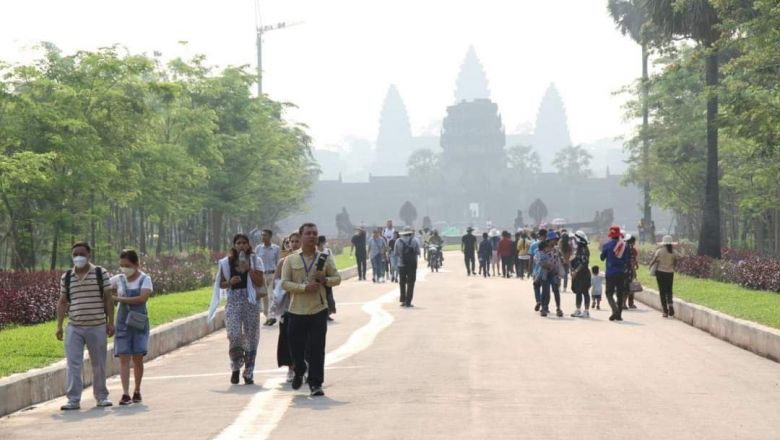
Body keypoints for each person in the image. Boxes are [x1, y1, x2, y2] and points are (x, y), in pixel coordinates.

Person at [281, 223, 341, 397]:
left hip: (318, 310)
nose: (312, 236)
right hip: (296, 310)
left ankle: (316, 383)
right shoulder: (291, 260)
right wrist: (303, 288)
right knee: (296, 349)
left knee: (317, 348)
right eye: (308, 233)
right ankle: (300, 368)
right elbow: (284, 283)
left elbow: (337, 278)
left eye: (315, 233)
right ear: (300, 237)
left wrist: (325, 279)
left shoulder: (325, 258)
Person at [56, 242, 114, 410]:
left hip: (96, 325)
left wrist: (110, 322)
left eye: (81, 254)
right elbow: (62, 302)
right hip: (74, 326)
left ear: (89, 255)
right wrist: (59, 326)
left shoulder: (99, 272)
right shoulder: (66, 277)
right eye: (75, 254)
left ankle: (101, 397)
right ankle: (73, 399)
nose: (78, 257)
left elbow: (109, 298)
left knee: (98, 363)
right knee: (73, 363)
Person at [208, 234, 264, 384]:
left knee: (251, 336)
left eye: (244, 243)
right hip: (234, 301)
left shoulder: (255, 260)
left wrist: (249, 270)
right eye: (238, 243)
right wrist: (230, 282)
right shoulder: (226, 263)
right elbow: (221, 284)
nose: (241, 246)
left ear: (248, 245)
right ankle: (235, 366)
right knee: (233, 334)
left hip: (250, 301)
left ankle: (249, 371)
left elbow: (259, 282)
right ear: (234, 245)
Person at [109, 249, 152, 405]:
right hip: (122, 323)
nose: (124, 268)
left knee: (138, 358)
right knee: (124, 358)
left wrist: (118, 298)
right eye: (121, 265)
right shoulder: (118, 279)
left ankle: (137, 390)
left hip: (138, 323)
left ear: (136, 264)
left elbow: (142, 299)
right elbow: (104, 287)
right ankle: (126, 393)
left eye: (127, 265)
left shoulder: (145, 279)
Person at [270, 232, 302, 382]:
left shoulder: (308, 261)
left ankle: (303, 366)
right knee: (288, 337)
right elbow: (276, 283)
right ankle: (291, 368)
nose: (294, 244)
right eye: (292, 242)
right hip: (288, 307)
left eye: (297, 241)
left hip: (305, 305)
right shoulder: (283, 262)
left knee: (305, 338)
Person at [600, 225, 630, 322]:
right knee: (620, 294)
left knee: (609, 293)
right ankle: (619, 315)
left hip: (610, 273)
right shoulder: (624, 246)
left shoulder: (607, 245)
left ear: (611, 235)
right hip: (621, 273)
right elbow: (627, 260)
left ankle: (615, 310)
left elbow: (602, 258)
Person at [649, 235, 679, 318]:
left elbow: (654, 260)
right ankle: (670, 304)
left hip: (660, 273)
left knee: (662, 291)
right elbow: (676, 260)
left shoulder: (659, 251)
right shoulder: (673, 251)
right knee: (669, 290)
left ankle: (665, 311)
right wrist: (673, 266)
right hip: (670, 273)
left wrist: (650, 266)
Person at [256, 229, 281, 326]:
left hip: (272, 274)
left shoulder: (276, 248)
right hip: (261, 275)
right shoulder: (258, 248)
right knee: (264, 297)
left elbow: (278, 262)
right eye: (262, 235)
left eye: (265, 235)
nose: (263, 237)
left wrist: (277, 276)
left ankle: (271, 316)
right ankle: (267, 316)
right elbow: (256, 262)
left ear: (270, 237)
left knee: (271, 296)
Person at [537, 231, 564, 317]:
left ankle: (558, 308)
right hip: (545, 273)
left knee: (556, 290)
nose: (555, 241)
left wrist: (559, 271)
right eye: (554, 239)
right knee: (546, 291)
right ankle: (544, 309)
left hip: (554, 273)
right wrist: (547, 265)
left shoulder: (556, 250)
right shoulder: (542, 250)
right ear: (549, 240)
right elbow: (539, 261)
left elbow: (559, 260)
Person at [394, 228, 420, 307]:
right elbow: (418, 252)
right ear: (410, 233)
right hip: (412, 264)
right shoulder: (415, 241)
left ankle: (403, 299)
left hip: (401, 264)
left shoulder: (398, 241)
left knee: (402, 282)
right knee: (411, 283)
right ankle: (408, 301)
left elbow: (396, 253)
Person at [569, 231, 591, 318]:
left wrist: (576, 271)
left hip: (583, 273)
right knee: (578, 292)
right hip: (576, 273)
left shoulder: (584, 249)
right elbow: (572, 260)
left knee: (585, 292)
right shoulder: (576, 249)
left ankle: (586, 311)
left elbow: (584, 263)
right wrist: (572, 270)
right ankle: (578, 310)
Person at [317, 235, 337, 321]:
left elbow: (332, 262)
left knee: (329, 295)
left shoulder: (328, 251)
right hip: (319, 276)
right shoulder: (315, 252)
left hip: (327, 277)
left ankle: (328, 313)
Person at [528, 229, 547, 311]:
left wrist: (529, 269)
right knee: (545, 288)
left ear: (539, 235)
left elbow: (531, 258)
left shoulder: (533, 245)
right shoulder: (548, 245)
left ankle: (538, 301)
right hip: (546, 269)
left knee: (536, 286)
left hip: (536, 270)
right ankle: (544, 304)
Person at [622, 234, 639, 310]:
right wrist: (634, 271)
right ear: (632, 242)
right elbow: (632, 260)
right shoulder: (631, 249)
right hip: (629, 271)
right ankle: (628, 303)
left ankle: (623, 303)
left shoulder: (623, 247)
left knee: (624, 287)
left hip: (622, 270)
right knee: (630, 287)